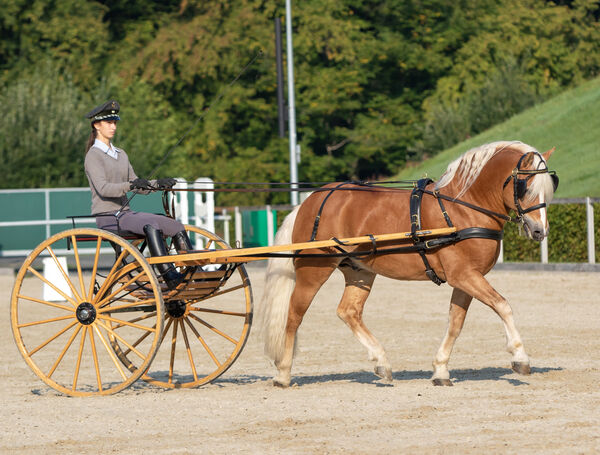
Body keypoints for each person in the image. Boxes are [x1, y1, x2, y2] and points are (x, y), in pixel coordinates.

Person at [84, 100, 192, 289]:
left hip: (126, 215)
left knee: (174, 225)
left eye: (115, 122)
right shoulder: (93, 156)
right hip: (108, 216)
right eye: (109, 122)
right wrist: (130, 185)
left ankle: (192, 271)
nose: (113, 127)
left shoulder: (121, 154)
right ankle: (169, 275)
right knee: (150, 224)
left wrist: (157, 184)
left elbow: (136, 184)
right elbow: (103, 189)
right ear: (96, 125)